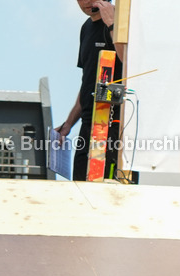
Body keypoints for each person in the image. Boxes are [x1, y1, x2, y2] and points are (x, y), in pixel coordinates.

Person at [56, 0, 127, 181]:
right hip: (88, 126)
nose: (86, 2)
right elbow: (87, 83)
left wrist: (112, 24)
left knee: (110, 194)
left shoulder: (123, 20)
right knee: (80, 190)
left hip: (114, 126)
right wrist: (68, 124)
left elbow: (128, 61)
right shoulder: (85, 28)